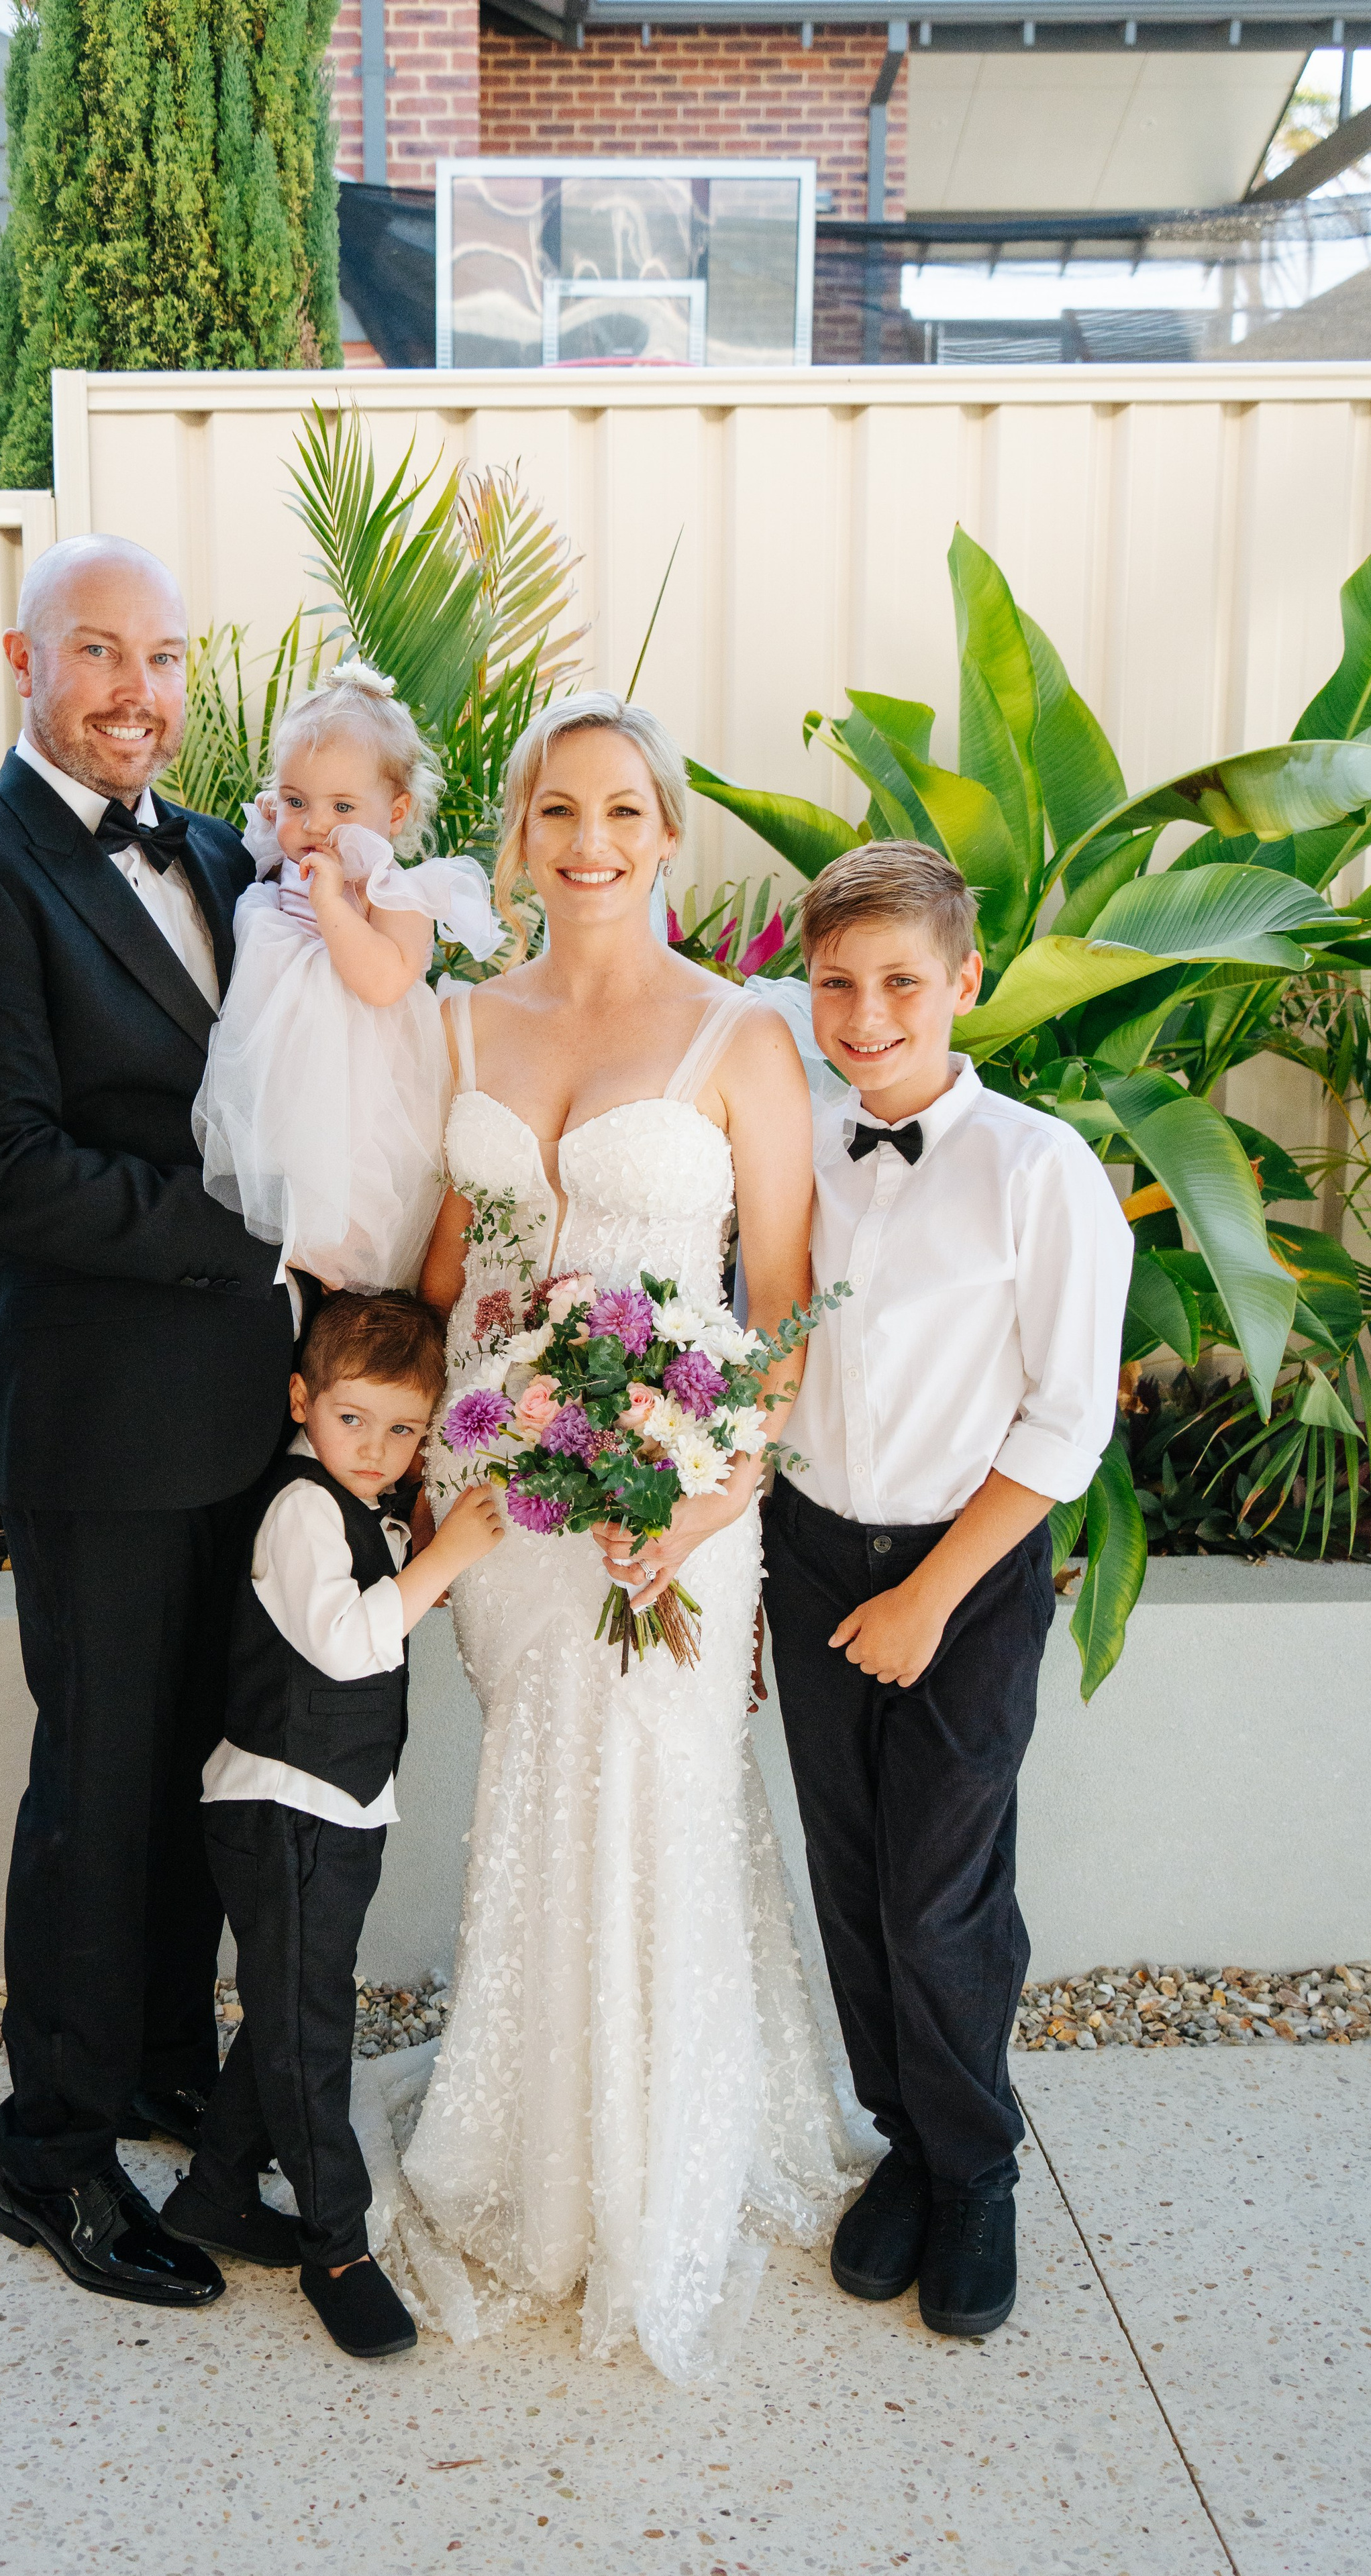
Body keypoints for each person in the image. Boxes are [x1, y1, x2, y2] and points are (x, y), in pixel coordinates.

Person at [399, 693, 858, 2385]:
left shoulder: (738, 1034)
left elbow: (788, 1299)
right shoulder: (456, 1024)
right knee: (536, 1780)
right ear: (519, 833)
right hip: (503, 1492)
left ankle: (656, 2161)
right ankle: (523, 2138)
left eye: (622, 811)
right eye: (556, 811)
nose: (589, 842)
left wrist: (717, 1480)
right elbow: (447, 1269)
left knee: (655, 1796)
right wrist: (430, 1412)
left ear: (666, 833)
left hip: (685, 1497)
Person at [0, 534, 300, 2310]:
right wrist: (264, 1241)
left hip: (244, 1412)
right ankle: (47, 2154)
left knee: (198, 1766)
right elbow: (5, 1175)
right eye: (100, 655)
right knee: (97, 1781)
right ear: (25, 662)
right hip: (101, 1420)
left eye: (167, 659)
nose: (138, 693)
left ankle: (155, 2067)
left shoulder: (222, 854)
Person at [759, 841, 1132, 2340]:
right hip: (806, 1553)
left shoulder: (1038, 1170)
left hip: (959, 1570)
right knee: (850, 1877)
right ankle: (902, 2147)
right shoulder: (787, 1143)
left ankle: (977, 2168)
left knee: (938, 1889)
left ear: (963, 982)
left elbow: (1064, 1421)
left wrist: (929, 1594)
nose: (865, 1012)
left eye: (901, 981)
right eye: (836, 982)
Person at [159, 1293, 502, 2359]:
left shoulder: (354, 1505)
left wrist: (419, 1550)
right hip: (284, 1807)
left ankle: (215, 2196)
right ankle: (337, 2247)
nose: (378, 1449)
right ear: (302, 1400)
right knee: (312, 2033)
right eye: (354, 1419)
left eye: (405, 1429)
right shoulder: (300, 1508)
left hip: (333, 1806)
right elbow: (348, 1645)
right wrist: (439, 1567)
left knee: (290, 2011)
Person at [193, 661, 501, 1293]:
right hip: (278, 1076)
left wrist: (334, 902)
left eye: (342, 806)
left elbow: (385, 980)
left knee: (346, 1214)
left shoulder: (394, 890)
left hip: (357, 1088)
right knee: (271, 1204)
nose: (315, 825)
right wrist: (274, 822)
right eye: (296, 802)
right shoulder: (287, 855)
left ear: (396, 812)